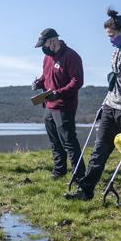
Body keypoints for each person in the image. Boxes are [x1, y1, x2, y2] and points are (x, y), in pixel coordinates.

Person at [64, 9, 121, 202]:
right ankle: (85, 190)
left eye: (112, 36)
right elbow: (114, 81)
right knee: (100, 149)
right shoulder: (116, 51)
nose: (111, 40)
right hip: (110, 107)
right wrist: (103, 104)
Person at [32, 28, 85, 179]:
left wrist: (59, 93)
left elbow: (77, 81)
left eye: (45, 44)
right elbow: (46, 75)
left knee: (69, 142)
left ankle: (79, 174)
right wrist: (39, 82)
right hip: (49, 106)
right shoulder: (47, 58)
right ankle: (59, 171)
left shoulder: (71, 56)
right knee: (54, 141)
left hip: (64, 106)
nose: (43, 48)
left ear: (53, 40)